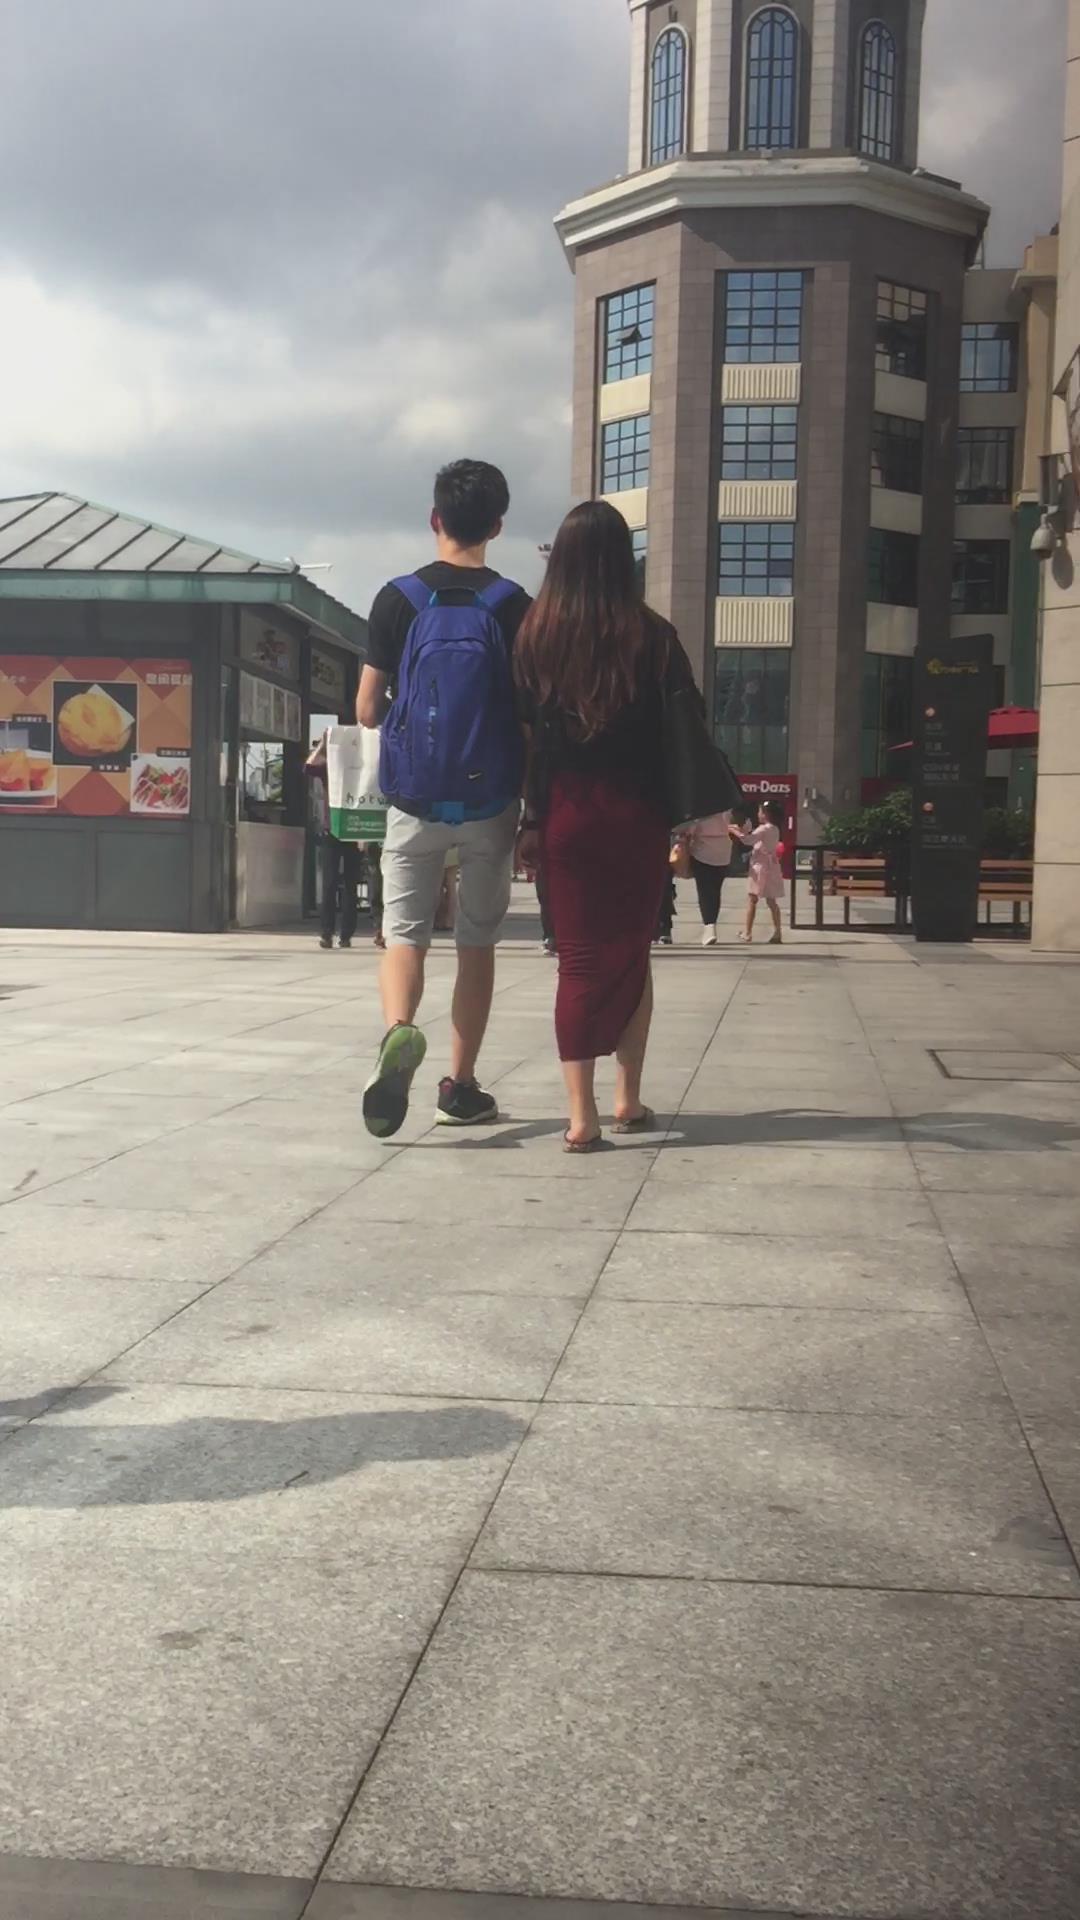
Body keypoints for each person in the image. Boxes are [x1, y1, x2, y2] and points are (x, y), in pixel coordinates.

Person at [516, 499, 698, 1152]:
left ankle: (581, 1115)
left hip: (566, 814)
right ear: (625, 561)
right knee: (631, 954)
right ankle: (628, 1097)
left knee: (578, 962)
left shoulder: (536, 636)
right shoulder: (654, 637)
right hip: (638, 815)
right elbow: (685, 728)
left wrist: (531, 820)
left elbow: (529, 743)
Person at [357, 459, 531, 1138]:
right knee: (476, 942)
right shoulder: (514, 605)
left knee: (404, 934)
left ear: (435, 518)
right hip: (490, 802)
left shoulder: (397, 599)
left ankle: (399, 1029)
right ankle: (460, 1087)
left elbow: (366, 709)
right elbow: (527, 719)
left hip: (414, 798)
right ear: (497, 526)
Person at [305, 727, 361, 950]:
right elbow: (309, 767)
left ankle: (345, 934)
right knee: (330, 883)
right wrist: (323, 744)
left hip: (352, 829)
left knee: (349, 884)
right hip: (333, 829)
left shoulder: (358, 768)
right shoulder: (331, 768)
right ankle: (327, 933)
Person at [730, 799, 785, 945]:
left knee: (752, 899)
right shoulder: (775, 829)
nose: (758, 814)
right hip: (772, 867)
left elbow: (747, 840)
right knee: (772, 901)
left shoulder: (763, 829)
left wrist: (734, 831)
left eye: (760, 811)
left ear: (766, 814)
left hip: (760, 867)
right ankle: (778, 932)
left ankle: (747, 932)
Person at [687, 810, 734, 946]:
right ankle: (711, 924)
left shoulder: (702, 806)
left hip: (703, 850)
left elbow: (691, 827)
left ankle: (709, 926)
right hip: (723, 851)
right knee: (715, 890)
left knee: (705, 891)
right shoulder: (727, 806)